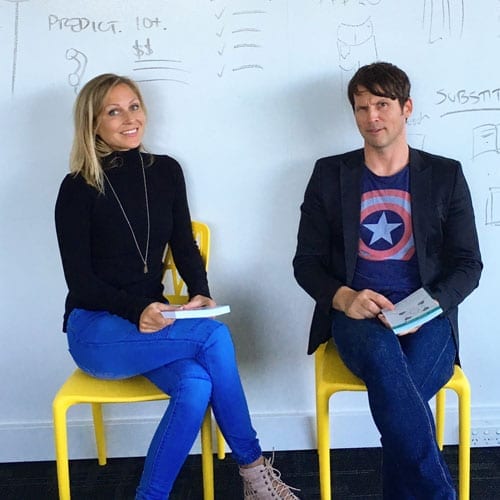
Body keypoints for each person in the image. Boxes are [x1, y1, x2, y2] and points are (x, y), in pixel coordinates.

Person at [55, 73, 300, 500]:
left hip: (151, 324)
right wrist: (138, 311)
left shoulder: (166, 171)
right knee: (213, 335)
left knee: (196, 384)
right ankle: (255, 473)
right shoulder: (77, 188)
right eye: (114, 111)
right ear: (93, 124)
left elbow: (183, 244)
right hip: (97, 329)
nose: (129, 118)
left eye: (134, 106)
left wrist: (200, 291)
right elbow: (81, 282)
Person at [293, 62, 482, 499]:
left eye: (382, 104)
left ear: (406, 107)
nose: (372, 117)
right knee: (389, 372)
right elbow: (306, 262)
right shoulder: (328, 174)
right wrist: (343, 297)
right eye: (362, 108)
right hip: (358, 314)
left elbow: (468, 263)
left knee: (398, 394)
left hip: (429, 314)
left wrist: (429, 306)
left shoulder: (446, 175)